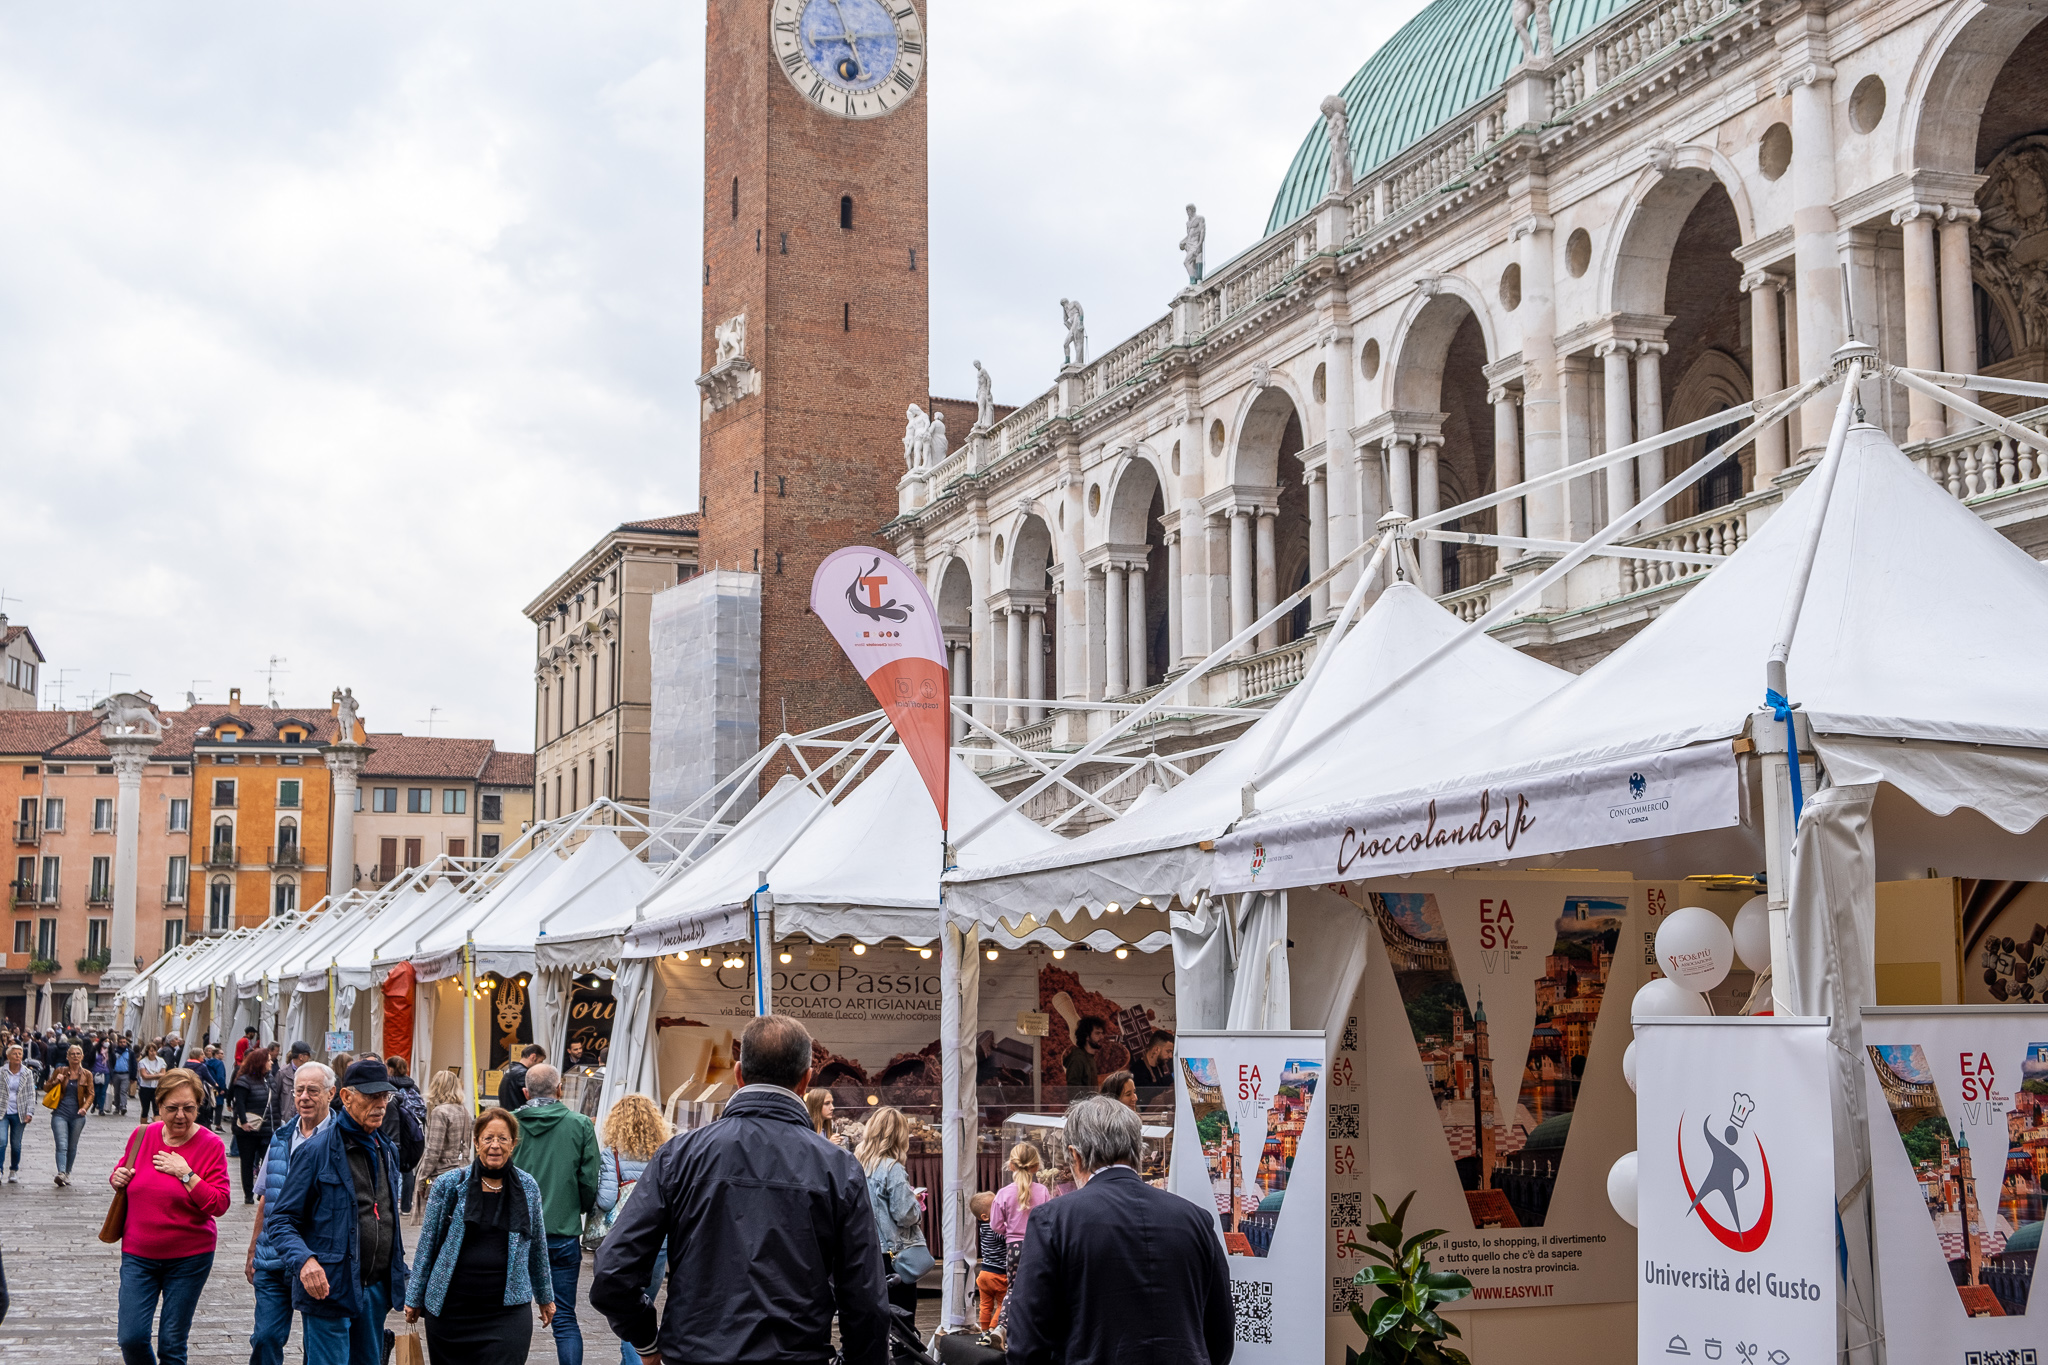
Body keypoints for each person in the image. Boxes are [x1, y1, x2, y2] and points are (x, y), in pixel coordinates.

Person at [590, 1013, 888, 1365]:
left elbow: (612, 1272)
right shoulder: (839, 1168)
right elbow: (866, 1300)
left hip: (693, 1353)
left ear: (738, 1074)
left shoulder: (680, 1156)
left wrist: (647, 1343)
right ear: (806, 1081)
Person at [1005, 1096, 1234, 1365]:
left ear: (1075, 1157)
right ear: (1137, 1152)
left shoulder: (1054, 1220)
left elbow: (1026, 1340)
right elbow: (1221, 1334)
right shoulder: (1196, 1219)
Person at [266, 1058, 410, 1365]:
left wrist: (403, 1276)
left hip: (374, 1290)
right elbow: (281, 1220)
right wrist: (304, 1261)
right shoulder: (315, 1151)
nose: (380, 1105)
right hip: (328, 1289)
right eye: (371, 1096)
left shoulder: (388, 1150)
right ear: (346, 1097)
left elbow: (387, 1219)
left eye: (384, 1096)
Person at [406, 1109, 554, 1362]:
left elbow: (537, 1245)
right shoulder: (449, 1184)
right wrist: (414, 1297)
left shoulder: (527, 1186)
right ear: (476, 1142)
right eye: (488, 1138)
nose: (495, 1145)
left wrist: (545, 1297)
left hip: (507, 1313)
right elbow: (428, 1244)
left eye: (502, 1139)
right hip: (451, 1312)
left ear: (513, 1144)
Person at [110, 1067, 232, 1365]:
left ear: (198, 1107)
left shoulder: (210, 1145)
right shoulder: (142, 1135)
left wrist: (186, 1174)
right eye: (172, 1108)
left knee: (172, 1344)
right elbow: (122, 1170)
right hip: (139, 1253)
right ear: (159, 1106)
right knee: (131, 1337)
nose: (181, 1115)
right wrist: (117, 1176)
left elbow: (219, 1203)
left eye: (189, 1108)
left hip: (189, 1256)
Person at [245, 1061, 336, 1365]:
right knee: (265, 1337)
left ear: (331, 1093)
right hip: (273, 1257)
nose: (305, 1097)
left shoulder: (342, 1140)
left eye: (313, 1090)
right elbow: (265, 1197)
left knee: (318, 1345)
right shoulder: (281, 1137)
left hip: (318, 1258)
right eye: (299, 1090)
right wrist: (253, 1248)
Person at [511, 1062, 599, 1365]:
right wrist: (578, 1208)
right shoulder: (580, 1125)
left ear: (525, 1092)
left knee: (511, 1317)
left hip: (517, 1234)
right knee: (565, 1318)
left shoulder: (507, 1125)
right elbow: (589, 1181)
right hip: (562, 1233)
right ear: (559, 1089)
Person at [593, 1094, 672, 1365]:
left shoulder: (611, 1154)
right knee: (646, 1303)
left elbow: (605, 1200)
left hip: (624, 1242)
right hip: (660, 1243)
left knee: (629, 1312)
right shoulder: (665, 1153)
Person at [857, 1105, 931, 1327]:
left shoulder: (857, 1165)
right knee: (902, 1320)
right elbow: (904, 1216)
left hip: (864, 1252)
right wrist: (915, 1204)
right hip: (894, 1255)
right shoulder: (892, 1169)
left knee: (873, 1318)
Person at [416, 1068, 471, 1223]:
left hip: (441, 1175)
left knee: (435, 1225)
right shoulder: (464, 1111)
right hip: (463, 1171)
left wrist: (422, 1178)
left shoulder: (439, 1112)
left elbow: (433, 1150)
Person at [990, 1141, 1047, 1289]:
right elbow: (1048, 1221)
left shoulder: (1003, 1193)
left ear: (1011, 1166)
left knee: (1014, 1290)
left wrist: (1010, 1232)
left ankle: (1008, 1313)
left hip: (1014, 1248)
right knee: (1038, 1289)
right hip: (1038, 1245)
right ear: (1036, 1166)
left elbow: (995, 1224)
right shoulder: (1043, 1191)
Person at [228, 1047, 278, 1205]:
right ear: (260, 1062)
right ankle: (248, 1194)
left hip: (267, 1129)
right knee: (248, 1162)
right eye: (268, 1060)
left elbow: (274, 1103)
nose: (271, 1062)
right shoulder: (244, 1080)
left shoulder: (269, 1079)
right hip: (248, 1130)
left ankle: (262, 1192)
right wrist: (243, 1121)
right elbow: (240, 1103)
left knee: (268, 1162)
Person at [386, 1056, 428, 1213]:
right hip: (411, 1131)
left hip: (395, 1128)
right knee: (408, 1168)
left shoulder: (388, 1085)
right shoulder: (413, 1085)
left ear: (390, 1068)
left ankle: (391, 1203)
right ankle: (406, 1206)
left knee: (391, 1167)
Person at [47, 1042, 93, 1186]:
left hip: (78, 1115)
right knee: (62, 1144)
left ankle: (67, 1173)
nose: (75, 1056)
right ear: (67, 1056)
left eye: (78, 1054)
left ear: (82, 1056)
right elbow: (46, 1087)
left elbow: (91, 1094)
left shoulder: (87, 1074)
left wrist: (85, 1107)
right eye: (72, 1054)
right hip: (60, 1113)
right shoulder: (60, 1071)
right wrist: (56, 1081)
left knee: (72, 1146)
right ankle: (61, 1173)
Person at [2, 1043, 40, 1183]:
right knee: (1, 1141)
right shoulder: (1, 1072)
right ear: (8, 1056)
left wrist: (30, 1112)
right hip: (3, 1111)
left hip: (20, 1112)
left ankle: (13, 1169)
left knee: (16, 1144)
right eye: (14, 1054)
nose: (17, 1056)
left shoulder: (27, 1072)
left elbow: (31, 1094)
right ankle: (0, 1169)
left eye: (20, 1054)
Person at [971, 1190, 1006, 1330]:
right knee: (1003, 1304)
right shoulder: (995, 1228)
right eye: (996, 1207)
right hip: (999, 1274)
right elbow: (1007, 1238)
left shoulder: (983, 1227)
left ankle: (984, 1330)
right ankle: (993, 1329)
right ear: (985, 1216)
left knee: (985, 1305)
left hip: (985, 1273)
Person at [1063, 1018, 1104, 1091]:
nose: (1102, 1037)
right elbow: (1073, 1092)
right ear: (1087, 1037)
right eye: (1097, 1033)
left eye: (1102, 1033)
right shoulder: (1077, 1058)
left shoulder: (1089, 1057)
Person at [498, 1044, 543, 1112]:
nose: (540, 1065)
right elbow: (532, 1098)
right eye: (540, 1061)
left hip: (508, 1114)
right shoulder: (523, 1073)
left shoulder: (511, 1070)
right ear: (533, 1057)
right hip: (518, 1115)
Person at [198, 1045, 228, 1132]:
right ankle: (218, 1125)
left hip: (209, 1086)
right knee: (219, 1105)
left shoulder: (206, 1062)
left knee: (210, 1105)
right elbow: (220, 1076)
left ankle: (209, 1123)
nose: (223, 1055)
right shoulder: (219, 1063)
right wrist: (222, 1087)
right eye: (221, 1054)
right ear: (216, 1054)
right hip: (217, 1087)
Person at [137, 1043, 166, 1123]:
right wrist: (157, 1075)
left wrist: (151, 1075)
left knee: (157, 1109)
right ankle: (143, 1128)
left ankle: (157, 1128)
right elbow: (144, 1076)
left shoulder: (161, 1061)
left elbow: (163, 1074)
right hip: (145, 1088)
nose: (153, 1053)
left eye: (154, 1051)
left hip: (157, 1087)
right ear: (147, 1051)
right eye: (151, 1051)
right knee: (145, 1109)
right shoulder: (143, 1062)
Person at [110, 1035, 134, 1115]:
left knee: (123, 1091)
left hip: (126, 1074)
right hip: (116, 1074)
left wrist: (133, 1076)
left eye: (124, 1042)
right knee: (117, 1092)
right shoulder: (114, 1052)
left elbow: (134, 1064)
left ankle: (123, 1106)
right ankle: (117, 1107)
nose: (123, 1044)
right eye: (121, 1042)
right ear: (118, 1043)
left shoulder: (130, 1052)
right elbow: (110, 1063)